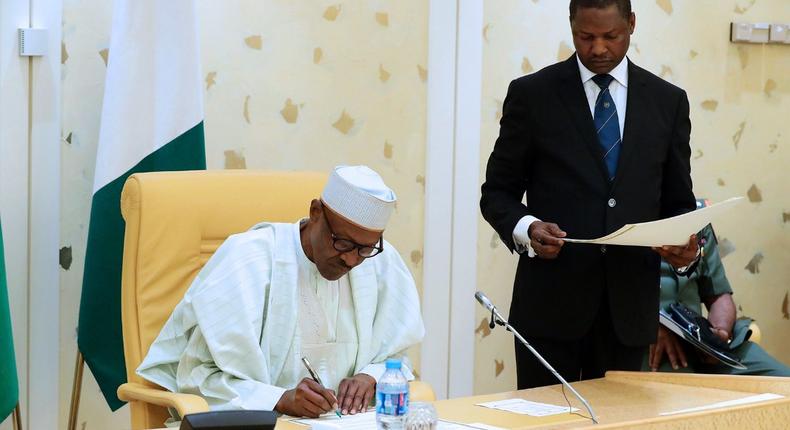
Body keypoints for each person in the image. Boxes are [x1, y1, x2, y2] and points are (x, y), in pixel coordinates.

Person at [480, 0, 700, 389]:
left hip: (628, 314)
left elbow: (678, 203)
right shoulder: (533, 95)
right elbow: (497, 192)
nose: (598, 49)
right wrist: (527, 228)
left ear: (631, 24)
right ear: (571, 27)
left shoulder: (668, 101)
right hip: (549, 309)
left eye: (611, 36)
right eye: (586, 37)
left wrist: (686, 253)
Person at [138, 165, 425, 418]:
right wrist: (280, 399)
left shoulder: (380, 264)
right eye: (343, 243)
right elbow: (198, 377)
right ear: (315, 213)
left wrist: (371, 376)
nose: (351, 260)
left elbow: (395, 354)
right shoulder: (248, 259)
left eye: (365, 249)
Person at [646, 222, 790, 376]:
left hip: (702, 344)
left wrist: (720, 333)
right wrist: (649, 325)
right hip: (653, 345)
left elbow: (719, 295)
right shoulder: (623, 221)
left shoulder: (697, 220)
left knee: (782, 380)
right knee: (684, 391)